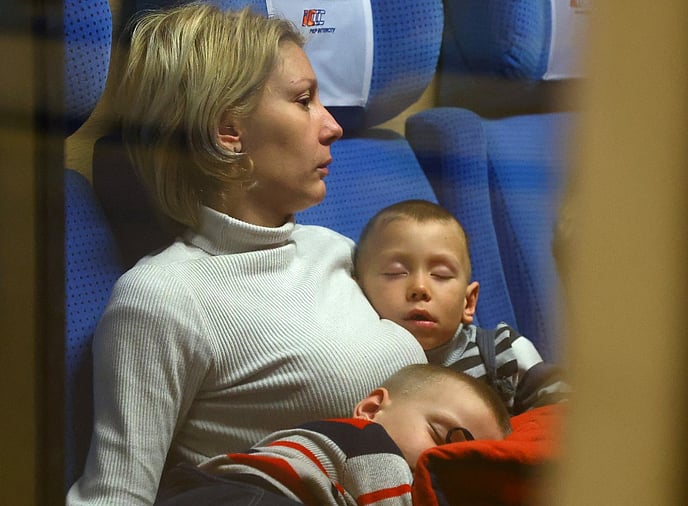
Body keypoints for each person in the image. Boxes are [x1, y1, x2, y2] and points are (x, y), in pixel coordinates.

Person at [67, 4, 427, 505]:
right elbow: (118, 495)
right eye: (304, 100)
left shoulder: (337, 249)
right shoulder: (163, 300)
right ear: (228, 131)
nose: (332, 126)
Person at [154, 364, 511, 505]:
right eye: (441, 435)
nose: (446, 460)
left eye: (466, 461)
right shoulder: (368, 439)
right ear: (371, 410)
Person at [353, 200, 569, 415]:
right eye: (395, 272)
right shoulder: (355, 368)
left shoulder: (503, 352)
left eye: (441, 275)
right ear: (358, 291)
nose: (419, 288)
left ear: (469, 302)